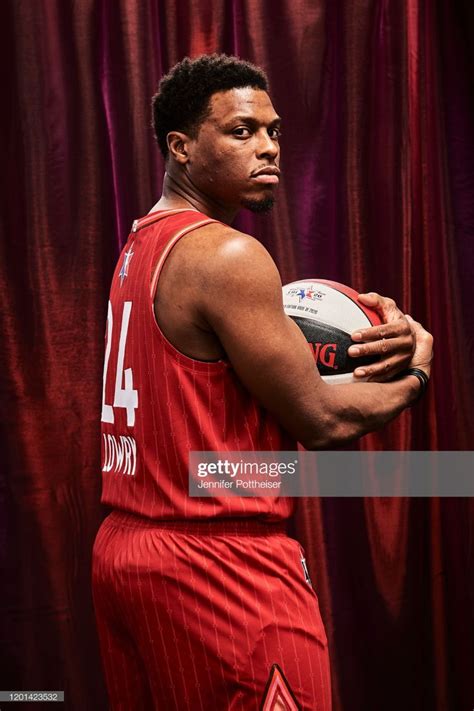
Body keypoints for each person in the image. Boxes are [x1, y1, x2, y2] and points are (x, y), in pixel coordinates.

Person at [92, 54, 433, 710]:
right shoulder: (229, 255)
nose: (269, 146)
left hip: (126, 554)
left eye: (274, 131)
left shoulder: (140, 245)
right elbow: (322, 421)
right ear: (181, 147)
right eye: (242, 132)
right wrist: (416, 368)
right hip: (218, 566)